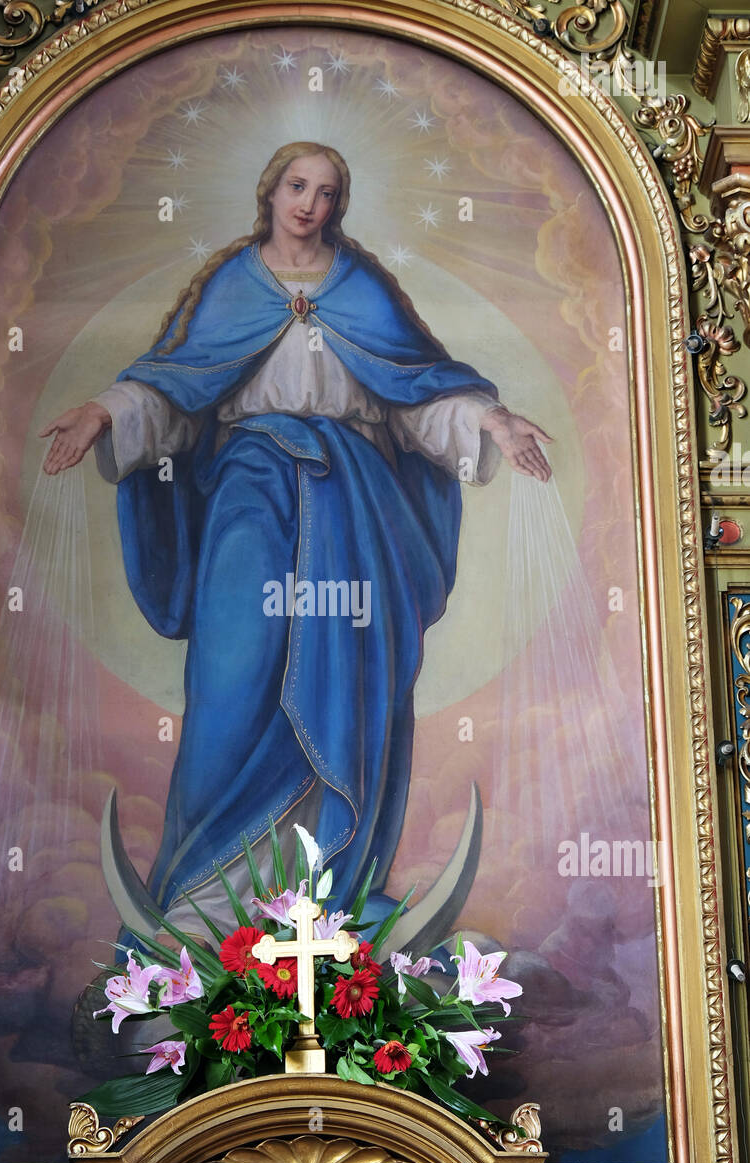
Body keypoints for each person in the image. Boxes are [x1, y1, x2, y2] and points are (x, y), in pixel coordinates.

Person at [41, 141, 551, 937]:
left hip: (354, 510)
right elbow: (176, 390)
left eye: (326, 190)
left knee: (345, 683)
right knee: (234, 677)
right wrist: (107, 413)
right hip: (250, 498)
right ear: (270, 191)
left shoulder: (362, 290)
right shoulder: (232, 287)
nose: (309, 203)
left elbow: (416, 398)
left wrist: (490, 418)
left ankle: (325, 899)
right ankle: (206, 912)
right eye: (296, 186)